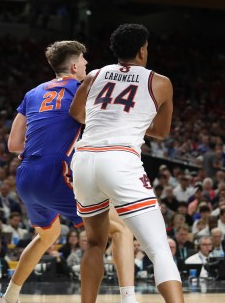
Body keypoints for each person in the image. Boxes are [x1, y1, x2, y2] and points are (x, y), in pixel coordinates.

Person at [0, 40, 138, 303]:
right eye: (84, 60)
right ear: (74, 66)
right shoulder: (83, 87)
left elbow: (13, 144)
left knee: (47, 236)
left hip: (26, 175)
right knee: (121, 228)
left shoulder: (32, 93)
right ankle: (128, 299)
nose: (87, 64)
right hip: (55, 172)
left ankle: (9, 297)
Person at [69, 24, 183, 303]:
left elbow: (76, 113)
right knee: (158, 249)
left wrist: (106, 120)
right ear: (143, 49)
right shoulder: (161, 82)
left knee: (95, 243)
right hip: (120, 159)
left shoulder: (94, 75)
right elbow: (161, 131)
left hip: (84, 160)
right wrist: (130, 122)